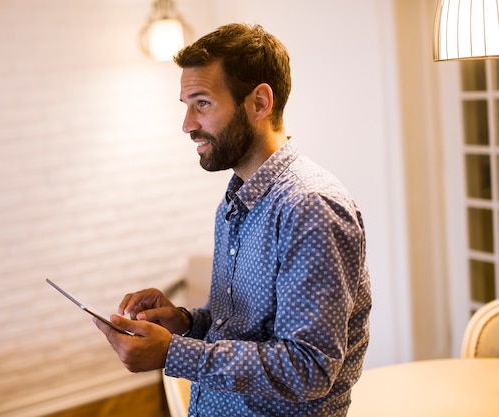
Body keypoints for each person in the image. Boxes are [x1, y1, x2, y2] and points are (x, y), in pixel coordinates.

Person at [94, 23, 371, 417]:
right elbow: (240, 328)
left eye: (202, 103)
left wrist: (174, 353)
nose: (187, 124)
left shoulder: (310, 207)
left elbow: (309, 369)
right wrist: (186, 322)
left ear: (259, 103)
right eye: (186, 105)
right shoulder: (235, 200)